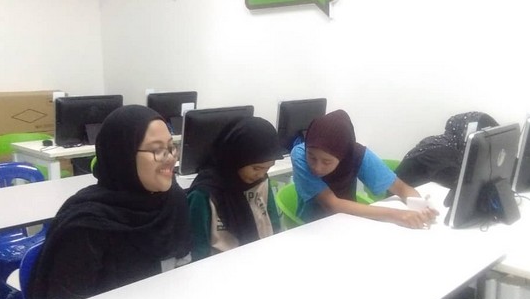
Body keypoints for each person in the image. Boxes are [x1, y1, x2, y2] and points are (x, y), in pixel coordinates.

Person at [27, 105, 191, 299]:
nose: (170, 157)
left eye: (171, 146)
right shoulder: (86, 225)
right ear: (123, 155)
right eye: (157, 150)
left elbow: (182, 267)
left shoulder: (173, 201)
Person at [291, 109, 437, 228]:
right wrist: (397, 215)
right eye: (312, 157)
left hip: (350, 220)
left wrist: (422, 208)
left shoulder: (355, 154)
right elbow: (332, 204)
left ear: (342, 155)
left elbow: (400, 188)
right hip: (312, 225)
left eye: (326, 162)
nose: (317, 167)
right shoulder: (299, 155)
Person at [187, 116, 284, 261]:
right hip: (220, 266)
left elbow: (273, 221)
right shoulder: (204, 193)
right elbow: (198, 247)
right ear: (237, 158)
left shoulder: (262, 181)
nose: (260, 175)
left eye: (267, 168)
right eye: (256, 168)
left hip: (261, 256)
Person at [395, 111, 499, 189]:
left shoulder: (450, 145)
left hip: (419, 197)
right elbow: (461, 184)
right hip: (398, 201)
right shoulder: (440, 151)